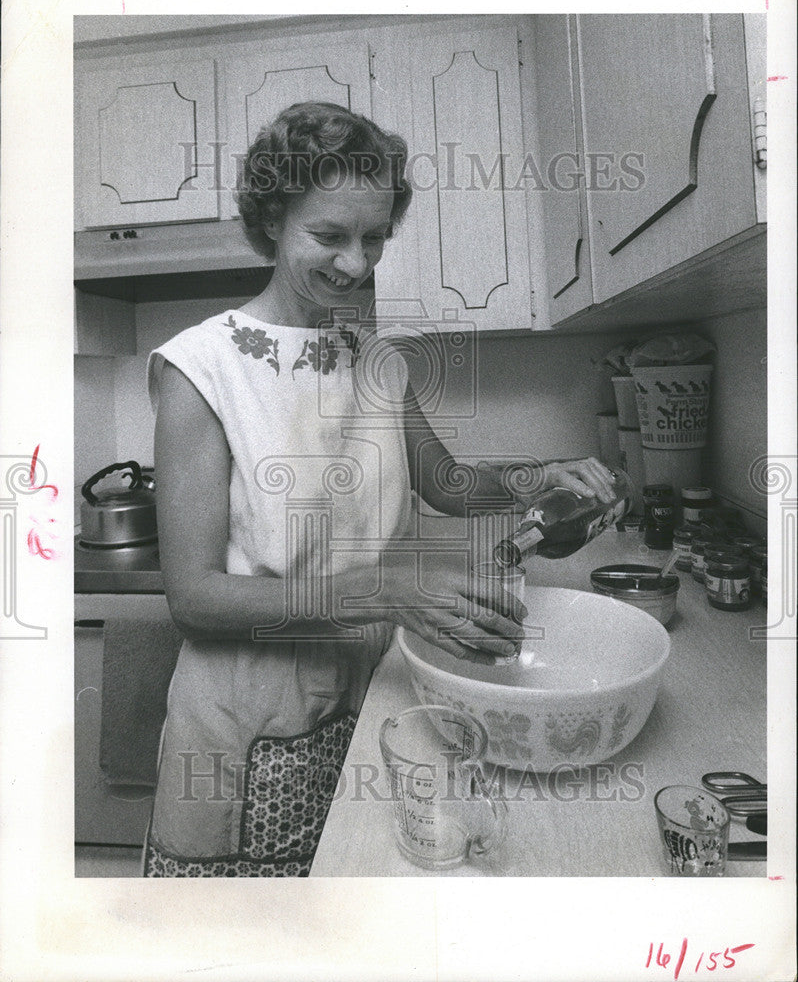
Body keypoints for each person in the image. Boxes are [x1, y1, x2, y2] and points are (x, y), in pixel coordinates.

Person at [143, 101, 617, 876]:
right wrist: (391, 589)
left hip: (366, 704)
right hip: (243, 719)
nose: (356, 264)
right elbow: (193, 597)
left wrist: (546, 479)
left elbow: (449, 483)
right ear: (272, 222)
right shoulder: (204, 368)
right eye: (328, 236)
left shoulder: (377, 359)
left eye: (374, 238)